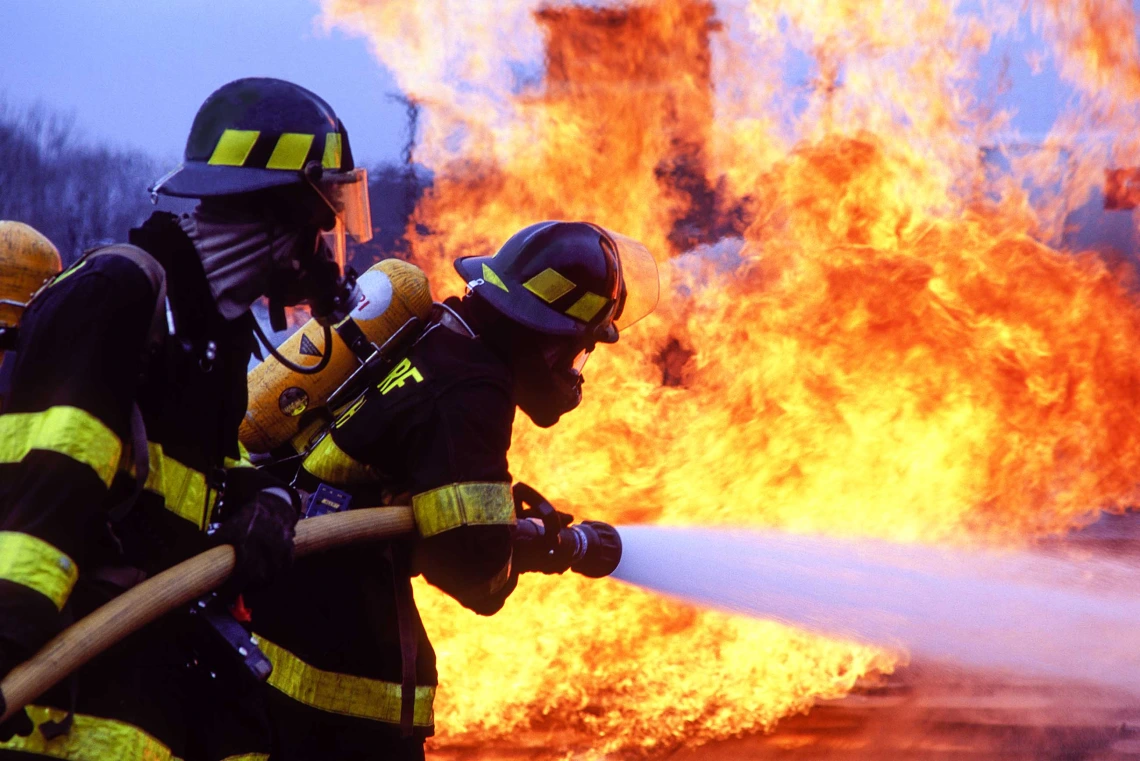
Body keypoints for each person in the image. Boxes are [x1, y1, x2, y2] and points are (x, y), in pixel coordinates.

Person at [0, 76, 372, 761]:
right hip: (78, 689)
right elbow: (51, 469)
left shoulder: (209, 331)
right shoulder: (120, 292)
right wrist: (8, 639)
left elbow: (202, 469)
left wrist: (264, 497)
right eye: (324, 219)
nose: (326, 249)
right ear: (282, 211)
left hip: (163, 665)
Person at [246, 220, 659, 760]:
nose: (575, 370)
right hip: (339, 671)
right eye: (580, 352)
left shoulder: (439, 337)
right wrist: (531, 547)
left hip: (283, 617)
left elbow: (431, 507)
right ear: (551, 340)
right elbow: (472, 570)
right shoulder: (471, 388)